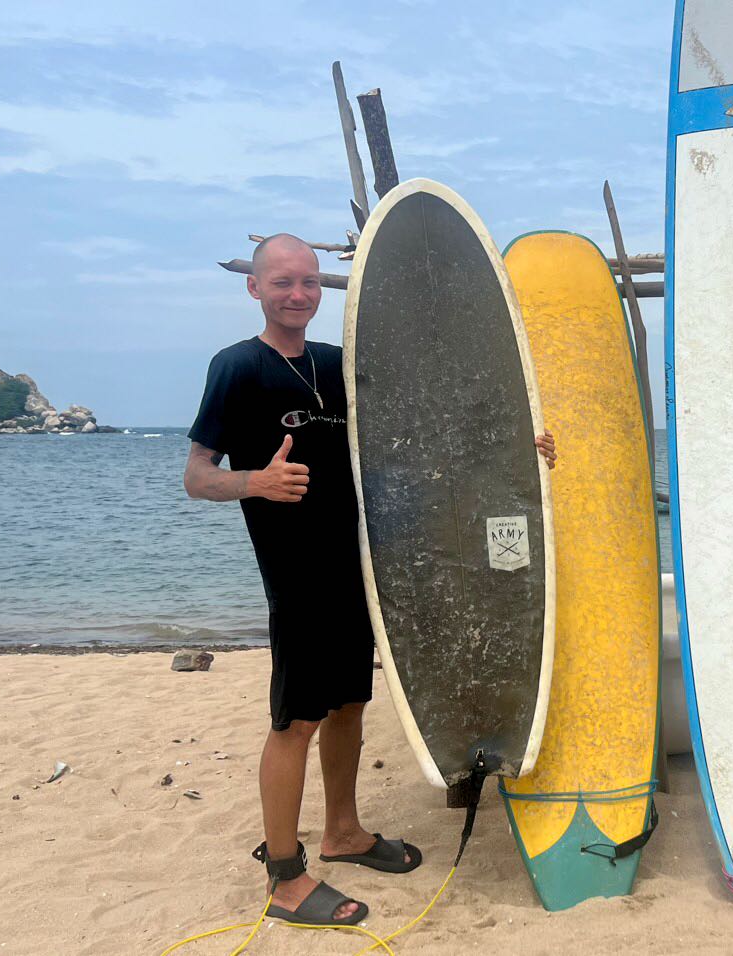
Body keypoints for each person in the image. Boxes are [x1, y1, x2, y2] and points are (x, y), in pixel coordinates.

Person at [184, 233, 556, 926]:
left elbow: (430, 427)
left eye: (308, 283)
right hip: (298, 576)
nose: (297, 294)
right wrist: (256, 482)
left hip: (363, 567)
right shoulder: (236, 367)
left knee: (350, 704)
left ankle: (343, 833)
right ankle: (286, 876)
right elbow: (197, 476)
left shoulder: (340, 365)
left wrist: (520, 445)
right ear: (254, 289)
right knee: (295, 718)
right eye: (282, 283)